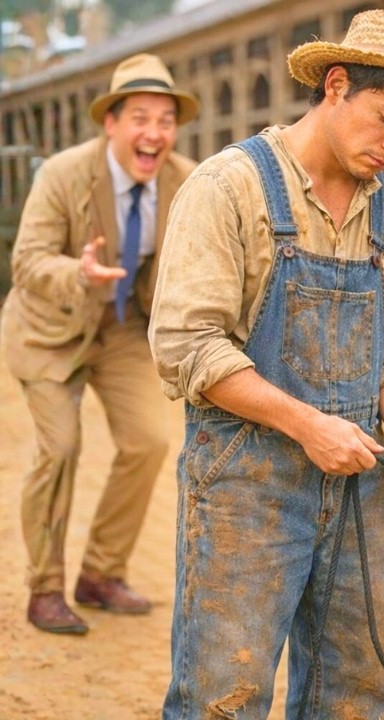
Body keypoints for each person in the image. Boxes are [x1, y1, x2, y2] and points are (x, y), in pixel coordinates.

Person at [147, 10, 384, 717]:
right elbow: (187, 345)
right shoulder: (227, 187)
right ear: (336, 84)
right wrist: (306, 425)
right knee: (223, 695)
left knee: (356, 694)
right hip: (244, 479)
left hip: (360, 487)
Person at [0, 53, 199, 635]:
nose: (154, 133)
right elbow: (27, 261)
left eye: (165, 120)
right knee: (60, 448)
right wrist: (78, 274)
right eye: (140, 117)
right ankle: (45, 588)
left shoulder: (184, 181)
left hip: (124, 330)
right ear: (110, 123)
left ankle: (101, 574)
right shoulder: (62, 174)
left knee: (148, 442)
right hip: (50, 329)